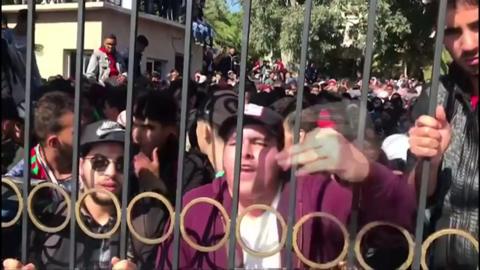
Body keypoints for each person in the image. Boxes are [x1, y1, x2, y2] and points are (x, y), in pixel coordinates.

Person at [157, 103, 416, 269]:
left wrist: (366, 173)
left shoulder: (315, 196)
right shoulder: (197, 208)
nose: (246, 153)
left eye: (260, 144)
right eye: (236, 143)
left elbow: (396, 227)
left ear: (282, 156)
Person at [2, 120, 136, 270]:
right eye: (99, 162)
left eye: (121, 164)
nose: (111, 172)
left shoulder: (142, 226)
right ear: (80, 166)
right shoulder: (49, 219)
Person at [407, 0, 478, 269]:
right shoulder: (436, 95)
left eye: (477, 26)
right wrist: (431, 161)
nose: (468, 44)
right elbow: (413, 195)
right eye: (453, 32)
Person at [6, 91, 75, 192]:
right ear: (54, 142)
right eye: (77, 133)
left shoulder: (91, 165)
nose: (87, 135)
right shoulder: (27, 169)